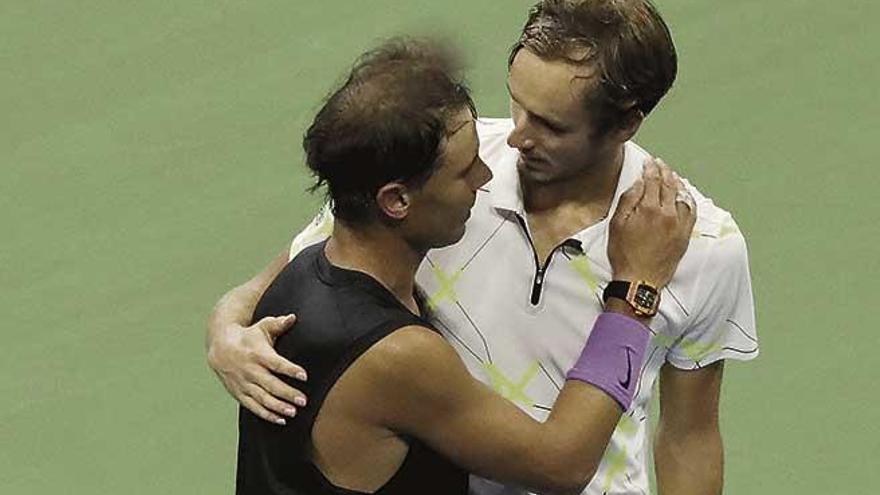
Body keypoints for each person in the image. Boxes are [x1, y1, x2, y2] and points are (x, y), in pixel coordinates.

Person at [208, 1, 759, 494]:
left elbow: (689, 437)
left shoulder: (701, 245)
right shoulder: (430, 171)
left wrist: (226, 329)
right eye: (517, 102)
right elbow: (560, 463)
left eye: (549, 124)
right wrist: (227, 334)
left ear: (626, 123)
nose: (514, 140)